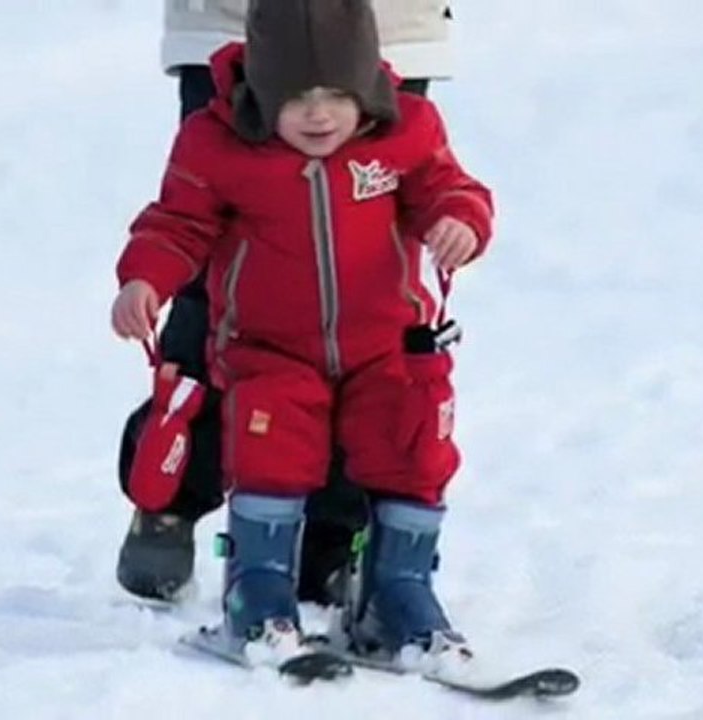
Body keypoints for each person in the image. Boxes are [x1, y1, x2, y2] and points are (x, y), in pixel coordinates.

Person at [112, 0, 493, 667]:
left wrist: (459, 219)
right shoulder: (221, 144)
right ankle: (255, 592)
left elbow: (447, 186)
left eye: (335, 98)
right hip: (270, 349)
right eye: (298, 100)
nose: (318, 115)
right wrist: (145, 279)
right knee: (270, 454)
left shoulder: (404, 130)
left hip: (385, 348)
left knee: (410, 452)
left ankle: (396, 593)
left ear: (367, 92)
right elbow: (177, 224)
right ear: (263, 97)